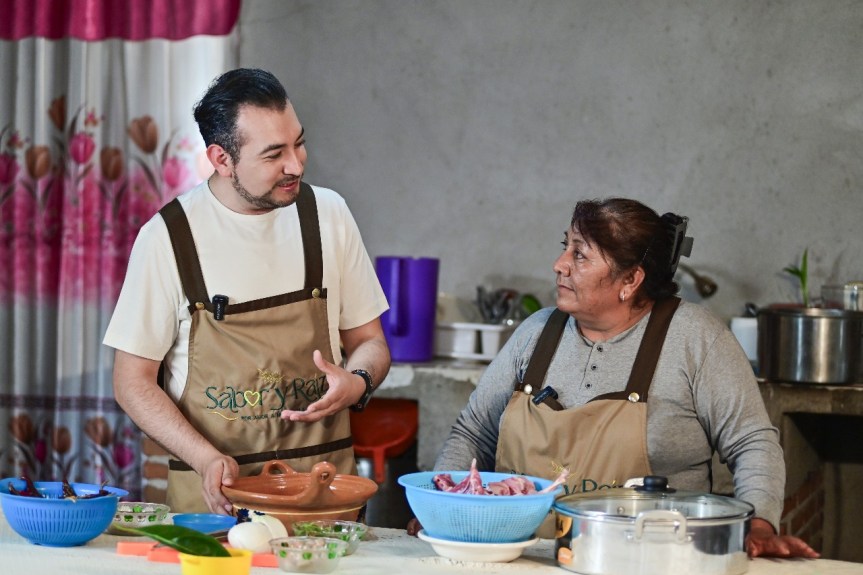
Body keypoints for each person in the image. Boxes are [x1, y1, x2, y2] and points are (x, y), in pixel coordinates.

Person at [421, 197, 818, 559]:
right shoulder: (536, 333)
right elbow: (473, 432)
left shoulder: (695, 338)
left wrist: (760, 524)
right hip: (524, 559)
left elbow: (751, 442)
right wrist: (442, 510)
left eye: (580, 255)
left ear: (630, 280)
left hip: (655, 560)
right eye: (565, 246)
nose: (559, 264)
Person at [104, 68, 390, 515]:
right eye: (274, 154)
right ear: (221, 159)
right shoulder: (169, 237)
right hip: (218, 506)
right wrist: (204, 458)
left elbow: (370, 342)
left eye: (298, 143)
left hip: (324, 500)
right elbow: (131, 382)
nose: (295, 165)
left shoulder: (328, 215)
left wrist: (357, 382)